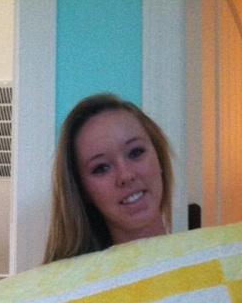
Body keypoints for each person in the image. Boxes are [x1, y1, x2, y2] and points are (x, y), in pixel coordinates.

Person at [43, 93, 174, 264]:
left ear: (159, 157)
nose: (126, 175)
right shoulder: (68, 281)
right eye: (101, 168)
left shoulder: (207, 253)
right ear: (82, 190)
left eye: (136, 152)